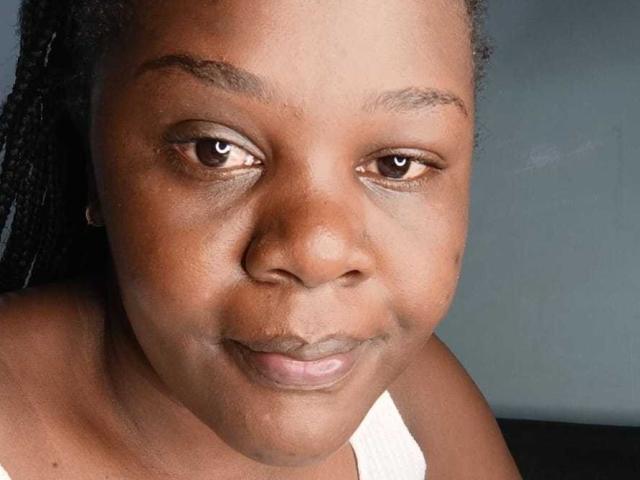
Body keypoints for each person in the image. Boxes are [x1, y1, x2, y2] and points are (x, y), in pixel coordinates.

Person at [0, 0, 520, 478]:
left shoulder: (414, 400)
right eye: (215, 150)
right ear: (91, 160)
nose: (317, 254)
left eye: (396, 164)